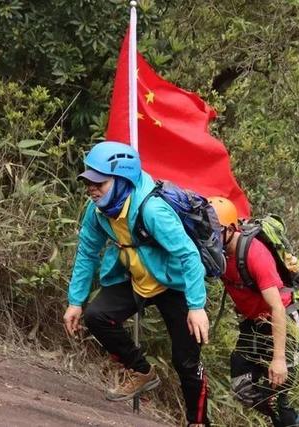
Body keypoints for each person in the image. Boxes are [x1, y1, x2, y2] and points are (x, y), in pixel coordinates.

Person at [63, 141, 210, 427]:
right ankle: (141, 370)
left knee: (186, 363)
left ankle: (199, 421)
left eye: (99, 184)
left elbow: (189, 254)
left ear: (122, 181)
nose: (92, 190)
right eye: (89, 183)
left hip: (174, 286)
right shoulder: (96, 211)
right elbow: (87, 253)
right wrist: (75, 301)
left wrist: (196, 305)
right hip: (136, 278)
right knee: (97, 316)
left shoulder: (153, 210)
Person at [208, 197, 299, 427]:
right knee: (242, 387)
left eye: (214, 231)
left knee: (277, 398)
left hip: (282, 318)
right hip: (254, 322)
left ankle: (298, 421)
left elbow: (277, 307)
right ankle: (292, 420)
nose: (209, 237)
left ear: (230, 229)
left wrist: (278, 359)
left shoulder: (254, 254)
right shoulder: (217, 256)